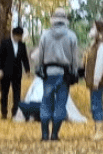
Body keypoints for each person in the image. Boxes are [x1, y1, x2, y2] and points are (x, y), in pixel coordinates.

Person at [34, 7, 79, 141]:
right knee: (61, 104)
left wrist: (40, 68)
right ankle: (54, 134)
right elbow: (74, 59)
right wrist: (74, 72)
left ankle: (44, 134)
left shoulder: (45, 35)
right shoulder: (72, 36)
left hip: (48, 73)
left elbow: (40, 55)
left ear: (53, 20)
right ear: (65, 20)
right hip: (64, 74)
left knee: (46, 102)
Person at [83, 20, 103, 140]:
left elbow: (100, 64)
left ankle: (100, 132)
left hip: (99, 81)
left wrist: (96, 80)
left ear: (98, 30)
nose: (91, 30)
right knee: (95, 104)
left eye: (93, 28)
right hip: (96, 81)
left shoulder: (102, 45)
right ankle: (97, 130)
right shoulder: (97, 44)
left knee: (96, 104)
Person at [0, 25, 31, 119]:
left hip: (17, 73)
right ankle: (4, 113)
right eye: (18, 36)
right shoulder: (5, 43)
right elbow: (0, 58)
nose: (19, 38)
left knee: (17, 94)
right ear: (14, 35)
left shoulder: (22, 45)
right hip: (5, 72)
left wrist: (27, 70)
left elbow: (25, 59)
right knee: (4, 94)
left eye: (21, 36)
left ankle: (15, 113)